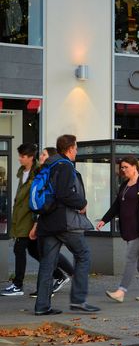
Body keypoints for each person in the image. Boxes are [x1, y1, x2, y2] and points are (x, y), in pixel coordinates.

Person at [34, 135, 100, 315]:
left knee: (48, 263)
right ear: (70, 149)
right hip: (64, 222)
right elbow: (64, 194)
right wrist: (82, 203)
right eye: (76, 148)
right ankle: (78, 301)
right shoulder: (64, 166)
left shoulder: (48, 165)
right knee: (83, 254)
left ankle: (42, 306)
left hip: (47, 222)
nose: (77, 151)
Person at [1, 145, 73, 297]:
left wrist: (35, 222)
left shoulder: (39, 172)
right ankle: (60, 276)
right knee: (37, 251)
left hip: (31, 219)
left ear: (29, 157)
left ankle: (18, 285)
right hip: (22, 219)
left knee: (20, 249)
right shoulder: (22, 173)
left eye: (22, 156)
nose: (20, 158)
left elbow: (38, 199)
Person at [97, 156, 139, 302]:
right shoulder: (125, 185)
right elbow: (117, 205)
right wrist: (104, 220)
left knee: (130, 259)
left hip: (138, 229)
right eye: (121, 167)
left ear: (135, 166)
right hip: (127, 228)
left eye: (126, 167)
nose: (123, 170)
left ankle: (121, 291)